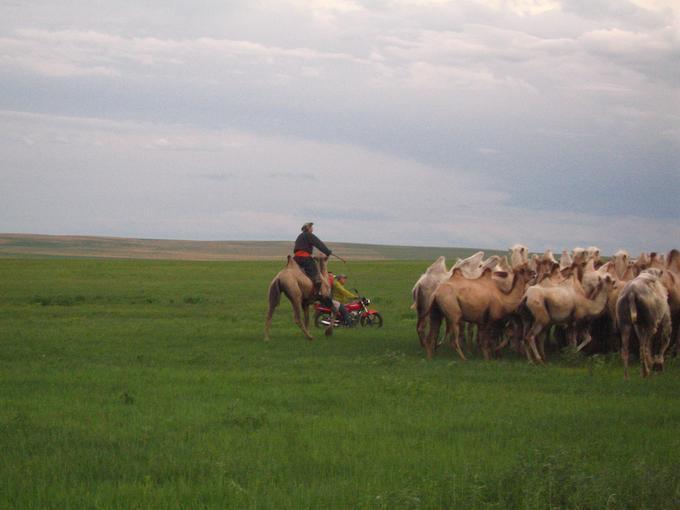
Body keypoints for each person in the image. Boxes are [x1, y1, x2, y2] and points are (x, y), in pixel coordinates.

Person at [293, 222, 332, 301]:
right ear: (308, 228)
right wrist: (327, 252)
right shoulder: (309, 235)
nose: (312, 229)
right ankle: (318, 292)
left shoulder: (299, 236)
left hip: (295, 258)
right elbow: (318, 243)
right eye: (311, 227)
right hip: (304, 258)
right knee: (315, 273)